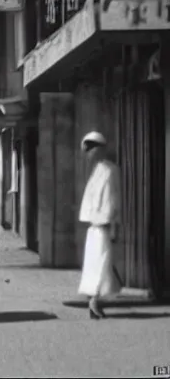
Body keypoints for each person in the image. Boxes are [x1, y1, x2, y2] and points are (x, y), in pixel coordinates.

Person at [78, 131, 122, 319]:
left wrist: (114, 225)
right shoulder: (97, 171)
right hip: (94, 228)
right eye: (87, 150)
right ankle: (94, 300)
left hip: (103, 226)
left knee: (102, 265)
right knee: (96, 265)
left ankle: (95, 300)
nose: (89, 154)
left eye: (91, 149)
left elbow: (113, 201)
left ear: (100, 149)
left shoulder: (110, 171)